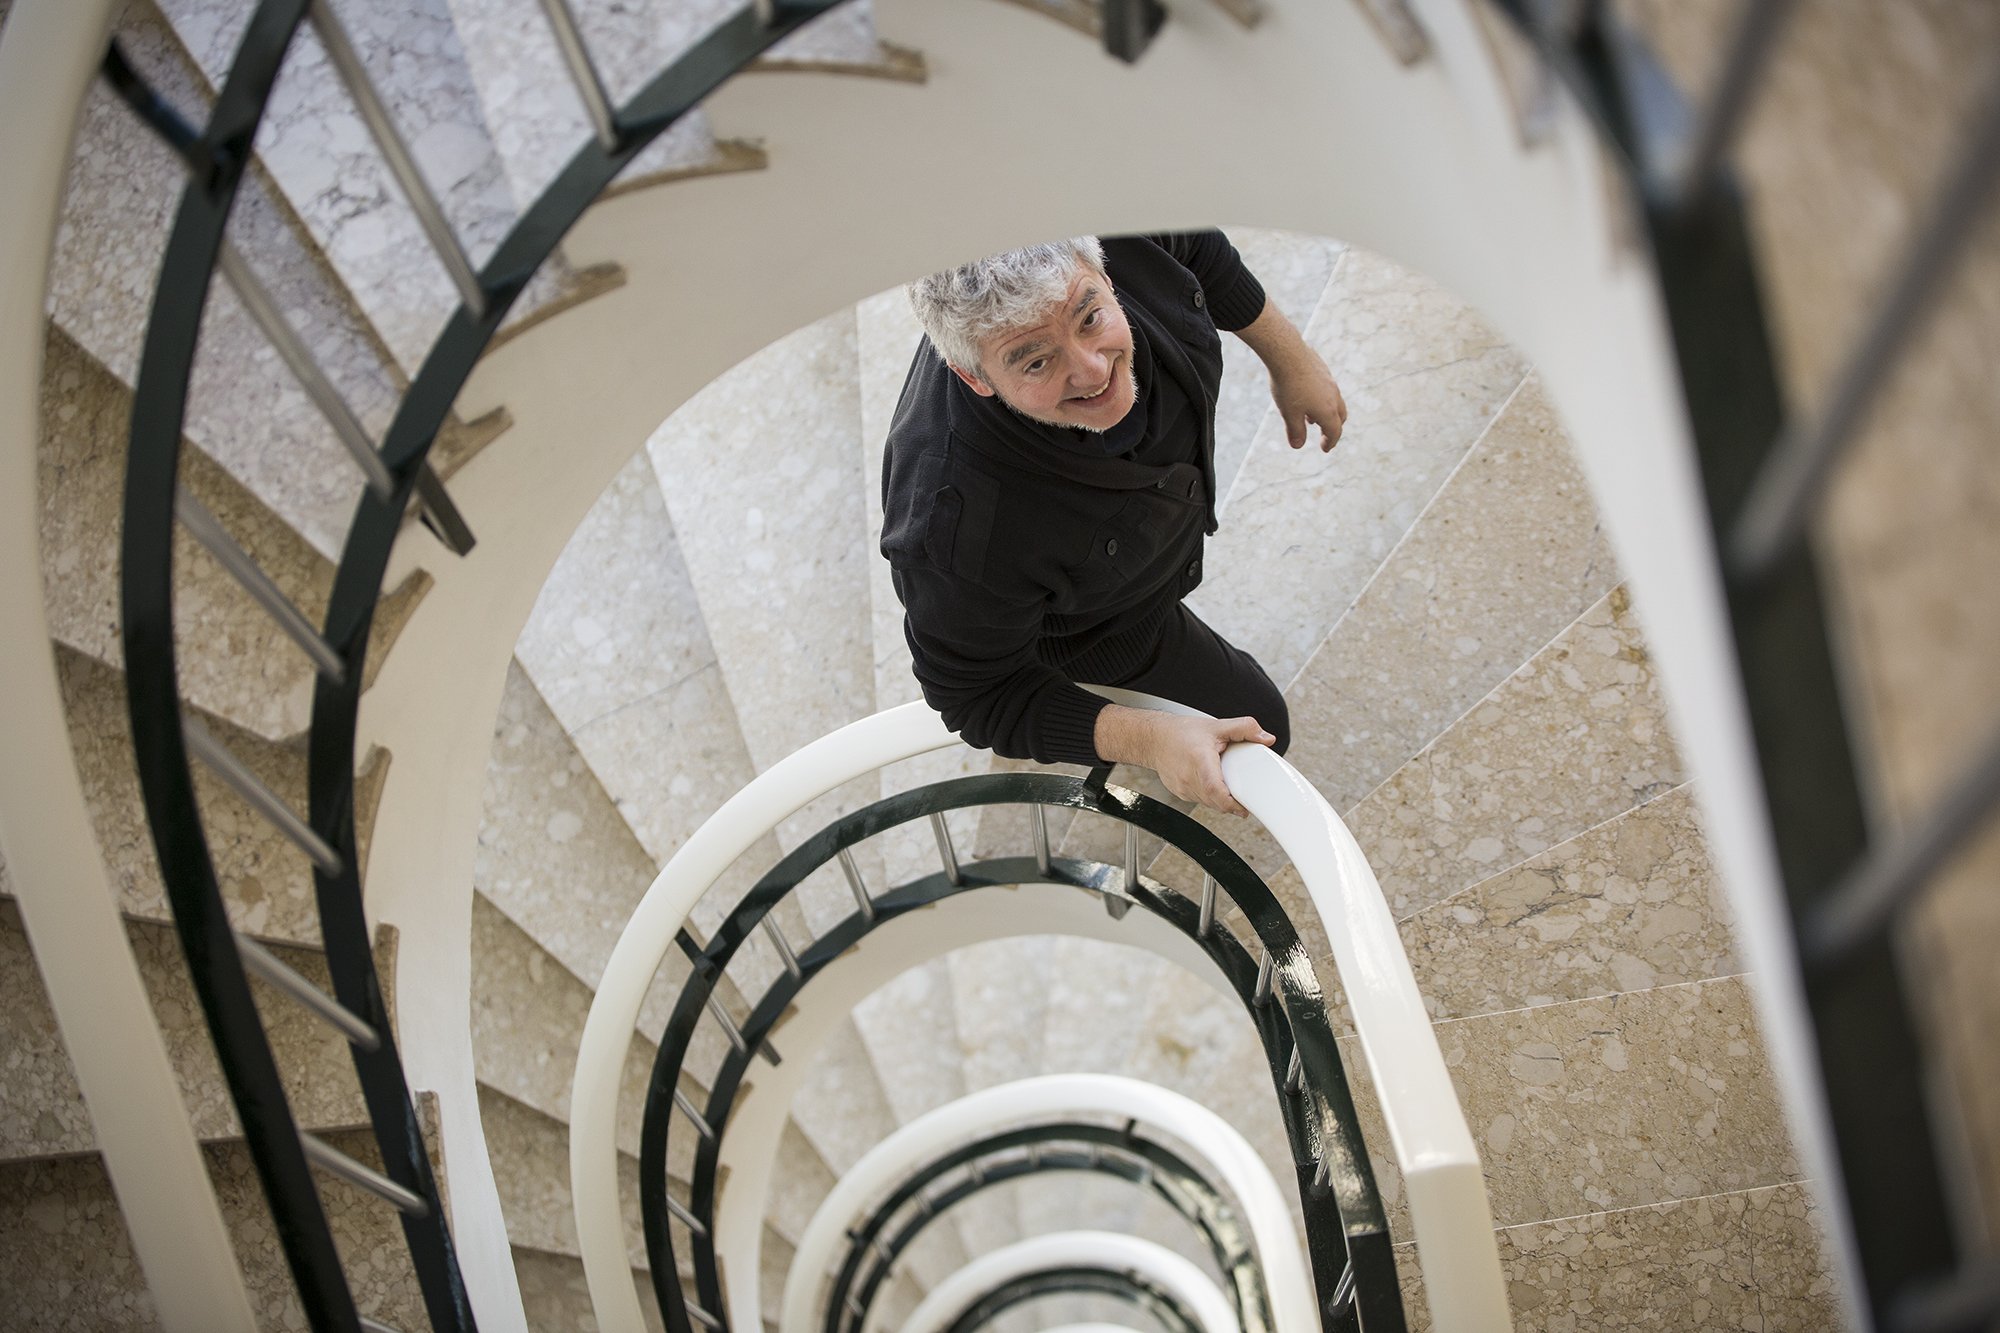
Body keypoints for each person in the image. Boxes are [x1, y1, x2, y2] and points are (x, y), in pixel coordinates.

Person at [880, 231, 1346, 816]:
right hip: (1104, 631)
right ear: (976, 378)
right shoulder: (953, 530)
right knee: (1265, 731)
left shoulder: (1111, 218)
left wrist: (1290, 356)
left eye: (1090, 317)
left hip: (1141, 563)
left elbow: (1196, 245)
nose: (1093, 370)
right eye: (1036, 360)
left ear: (1100, 266)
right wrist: (1150, 738)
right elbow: (976, 694)